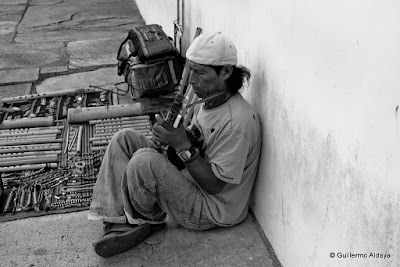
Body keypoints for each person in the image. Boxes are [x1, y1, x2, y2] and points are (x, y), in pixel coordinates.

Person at [88, 32, 262, 258]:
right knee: (124, 138)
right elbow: (197, 141)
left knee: (144, 161)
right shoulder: (211, 100)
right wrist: (172, 138)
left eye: (200, 73)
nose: (192, 81)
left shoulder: (237, 122)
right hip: (191, 181)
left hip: (211, 209)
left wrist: (181, 145)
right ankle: (119, 220)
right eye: (191, 71)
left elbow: (215, 186)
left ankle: (144, 219)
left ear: (226, 72)